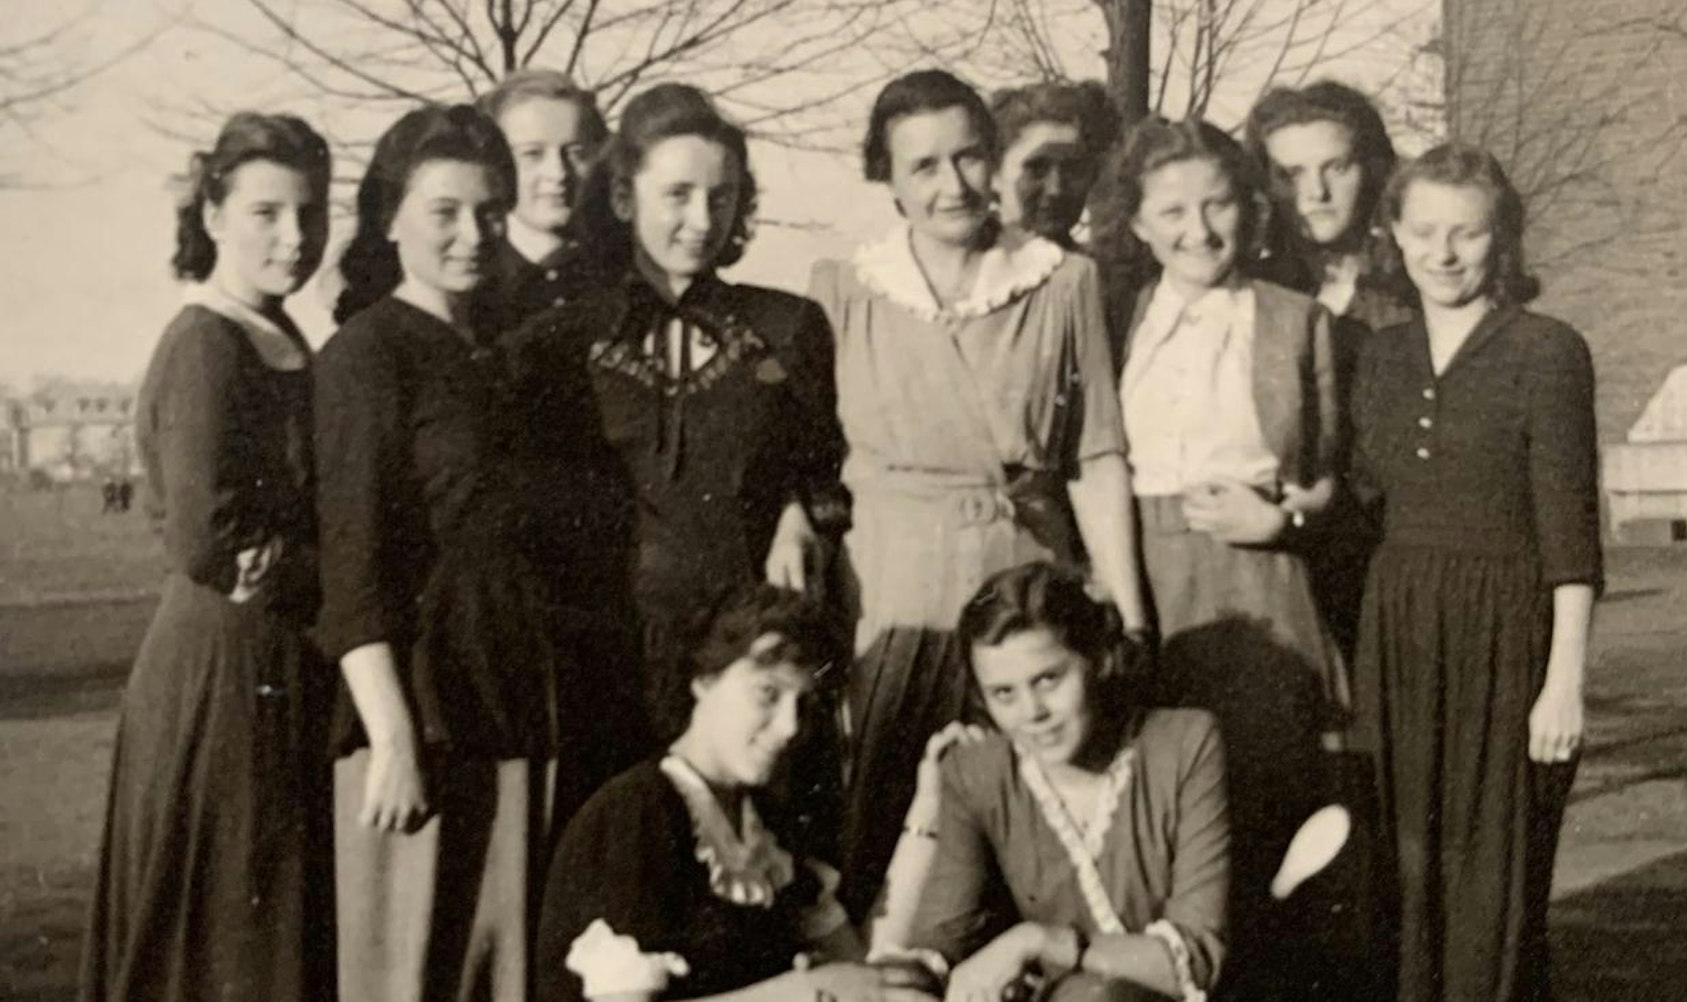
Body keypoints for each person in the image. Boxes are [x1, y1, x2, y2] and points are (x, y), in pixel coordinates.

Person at [807, 69, 1150, 918]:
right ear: (887, 178)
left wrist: (1128, 610)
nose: (952, 185)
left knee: (1033, 836)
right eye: (922, 166)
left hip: (1019, 583)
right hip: (891, 596)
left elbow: (1096, 454)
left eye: (967, 158)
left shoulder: (1060, 281)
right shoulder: (845, 288)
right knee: (886, 837)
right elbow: (800, 455)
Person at [506, 82, 849, 845]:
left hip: (745, 654)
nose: (701, 220)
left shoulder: (785, 328)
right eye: (677, 195)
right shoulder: (561, 338)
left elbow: (820, 461)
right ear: (622, 198)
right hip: (609, 654)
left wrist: (800, 513)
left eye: (720, 198)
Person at [314, 104, 589, 1002]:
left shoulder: (498, 355)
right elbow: (351, 567)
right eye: (445, 212)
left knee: (502, 978)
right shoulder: (366, 355)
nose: (472, 235)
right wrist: (393, 737)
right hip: (420, 724)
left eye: (488, 211)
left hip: (510, 706)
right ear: (389, 217)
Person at [1087, 116, 1347, 993]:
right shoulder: (1113, 318)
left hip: (1259, 582)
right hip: (1146, 583)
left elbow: (1332, 477)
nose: (1197, 230)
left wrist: (1280, 520)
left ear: (1249, 209)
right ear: (1136, 223)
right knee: (1160, 823)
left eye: (1218, 205)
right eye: (1172, 212)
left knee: (1269, 818)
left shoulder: (1296, 320)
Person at [82, 112, 333, 1002]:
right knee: (224, 929)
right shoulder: (205, 343)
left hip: (276, 658)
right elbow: (211, 543)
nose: (295, 237)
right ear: (215, 216)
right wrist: (338, 568)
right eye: (267, 213)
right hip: (222, 670)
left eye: (310, 213)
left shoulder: (281, 332)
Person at [1350, 144, 1599, 1001]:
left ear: (1503, 238)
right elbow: (1360, 506)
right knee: (1401, 873)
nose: (1444, 253)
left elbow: (1571, 536)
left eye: (1467, 232)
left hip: (1505, 639)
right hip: (1397, 637)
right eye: (1424, 231)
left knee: (1496, 879)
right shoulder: (1379, 356)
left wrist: (1563, 684)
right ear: (1395, 233)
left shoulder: (1547, 351)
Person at [535, 584, 936, 1002]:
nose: (789, 727)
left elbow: (857, 967)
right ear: (703, 679)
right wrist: (803, 991)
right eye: (768, 693)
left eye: (802, 704)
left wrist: (929, 806)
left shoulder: (765, 827)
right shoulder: (635, 814)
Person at [874, 561, 1231, 1002]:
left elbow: (1197, 959)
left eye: (1047, 680)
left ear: (1099, 659)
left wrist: (1040, 941)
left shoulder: (1184, 745)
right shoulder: (978, 774)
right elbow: (940, 941)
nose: (1032, 713)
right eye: (1004, 693)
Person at [1246, 80, 1409, 660]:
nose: (1314, 193)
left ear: (1372, 168)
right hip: (1281, 562)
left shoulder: (1413, 289)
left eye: (1335, 168)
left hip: (1389, 559)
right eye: (1291, 174)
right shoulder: (1251, 295)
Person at [478, 69, 611, 334]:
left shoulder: (615, 276)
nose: (558, 173)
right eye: (532, 154)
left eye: (575, 153)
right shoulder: (473, 280)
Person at [989, 81, 1121, 251]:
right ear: (994, 173)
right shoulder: (968, 264)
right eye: (1037, 170)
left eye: (1073, 170)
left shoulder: (1097, 267)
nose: (1056, 189)